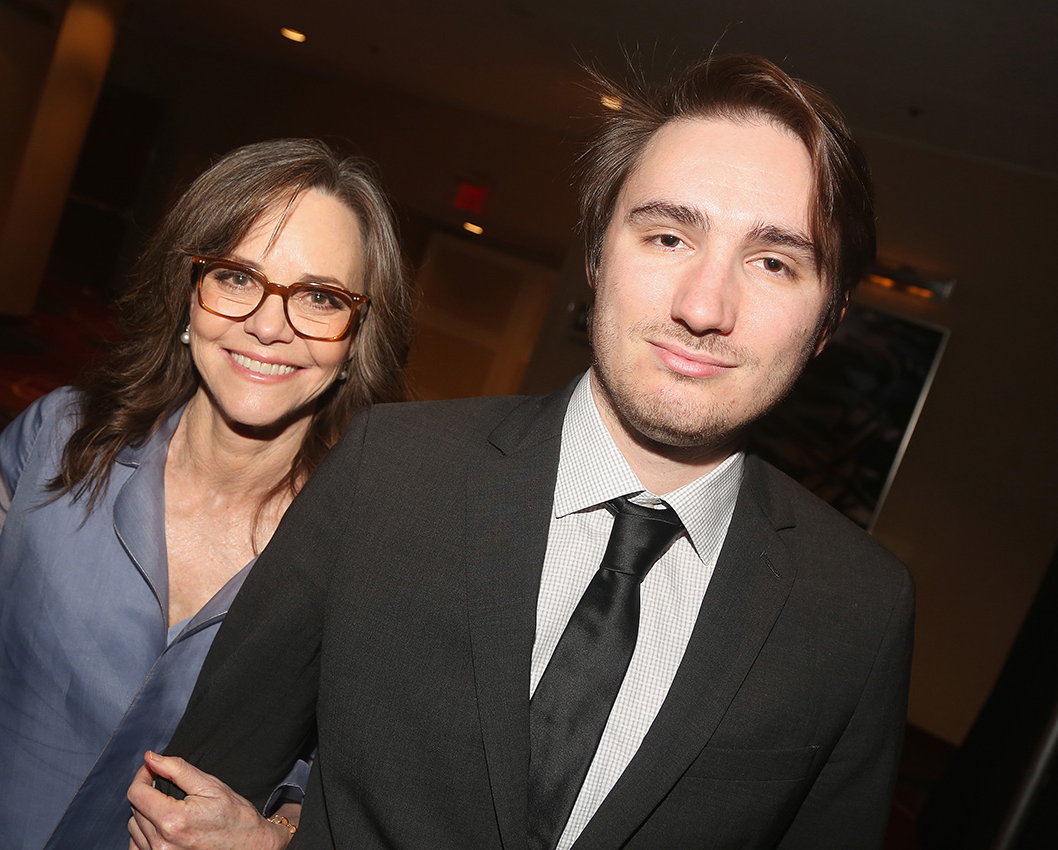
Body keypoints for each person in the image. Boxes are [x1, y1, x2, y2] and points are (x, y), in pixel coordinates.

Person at [132, 55, 914, 850]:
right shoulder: (390, 474)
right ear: (598, 256)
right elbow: (195, 796)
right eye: (669, 235)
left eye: (774, 262)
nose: (704, 306)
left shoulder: (858, 612)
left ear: (827, 322)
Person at [0, 138, 412, 849]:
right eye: (237, 277)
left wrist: (274, 838)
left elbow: (344, 789)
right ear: (189, 293)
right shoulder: (60, 438)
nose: (270, 326)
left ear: (356, 337)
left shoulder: (367, 557)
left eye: (319, 296)